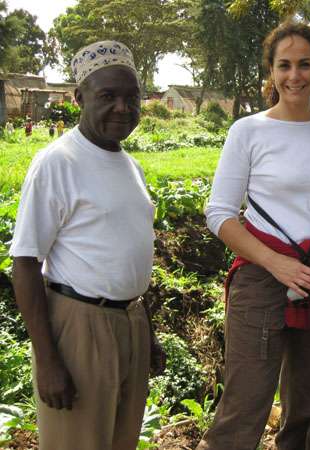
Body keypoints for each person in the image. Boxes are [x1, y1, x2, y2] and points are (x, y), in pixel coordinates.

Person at [199, 21, 310, 450]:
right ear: (271, 71)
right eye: (284, 65)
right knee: (245, 402)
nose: (295, 75)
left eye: (304, 64)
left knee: (309, 405)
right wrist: (277, 264)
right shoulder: (248, 132)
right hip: (262, 279)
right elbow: (219, 214)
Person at [10, 40, 166, 450]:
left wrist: (145, 332)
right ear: (79, 97)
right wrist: (47, 360)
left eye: (131, 97)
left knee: (120, 441)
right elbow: (25, 263)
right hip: (79, 326)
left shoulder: (130, 165)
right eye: (108, 96)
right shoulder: (58, 162)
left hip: (129, 323)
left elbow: (124, 249)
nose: (122, 107)